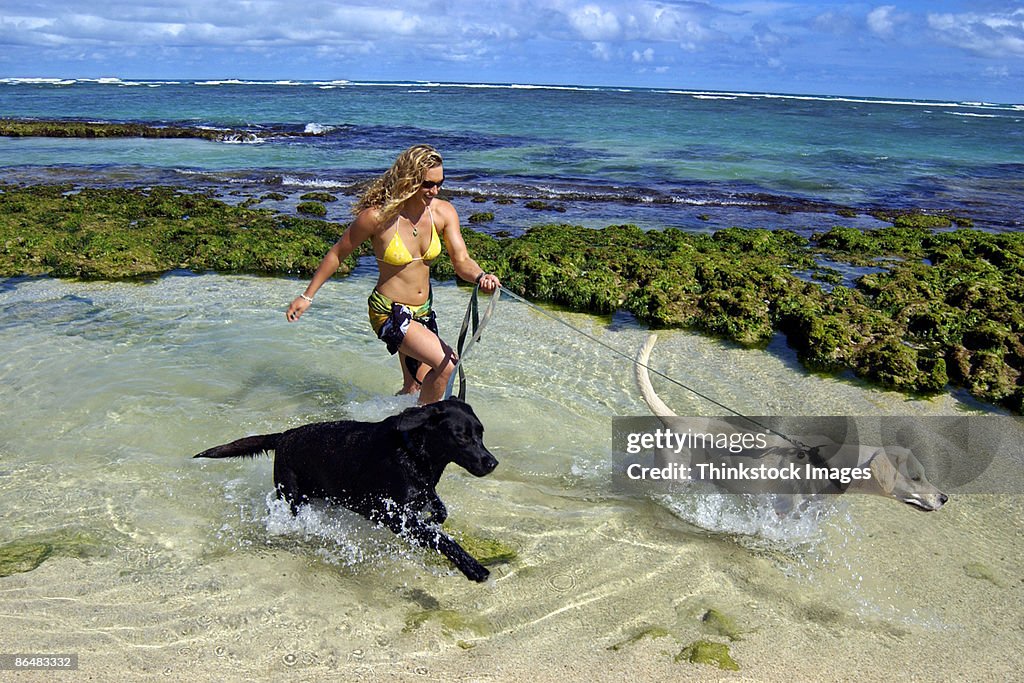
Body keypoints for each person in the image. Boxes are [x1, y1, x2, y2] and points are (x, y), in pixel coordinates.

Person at [285, 144, 501, 403]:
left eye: (439, 183)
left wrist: (480, 276)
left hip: (423, 312)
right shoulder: (377, 217)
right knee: (447, 365)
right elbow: (337, 254)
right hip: (388, 311)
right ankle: (418, 430)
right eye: (427, 184)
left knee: (416, 388)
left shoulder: (444, 212)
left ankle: (390, 421)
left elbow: (462, 260)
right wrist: (306, 297)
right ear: (409, 180)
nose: (435, 191)